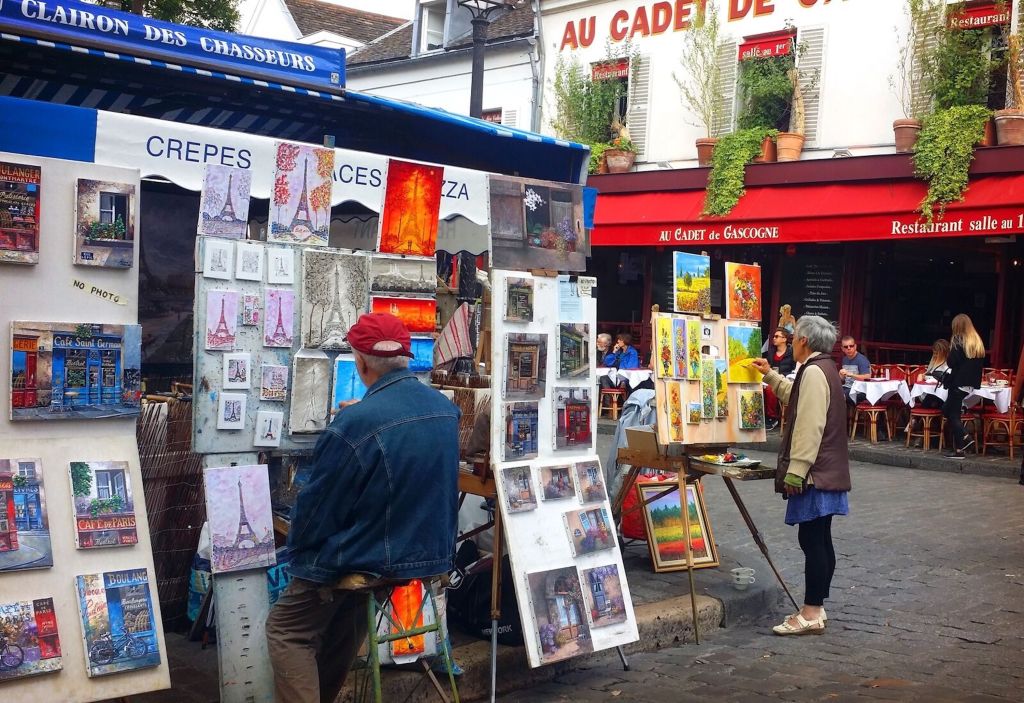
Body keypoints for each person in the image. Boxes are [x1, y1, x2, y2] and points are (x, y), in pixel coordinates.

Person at [266, 312, 461, 703]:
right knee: (344, 611)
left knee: (287, 630)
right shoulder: (444, 409)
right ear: (406, 357)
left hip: (370, 556)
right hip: (427, 554)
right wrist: (363, 416)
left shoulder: (355, 422)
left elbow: (318, 509)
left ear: (360, 362)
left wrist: (298, 545)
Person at [751, 315, 851, 636]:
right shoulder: (824, 368)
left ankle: (810, 611)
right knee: (820, 537)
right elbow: (797, 396)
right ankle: (817, 607)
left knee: (812, 540)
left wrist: (797, 471)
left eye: (794, 338)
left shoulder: (814, 371)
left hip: (815, 472)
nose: (792, 342)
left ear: (804, 341)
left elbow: (810, 424)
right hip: (827, 469)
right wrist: (770, 375)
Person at [942, 314, 985, 459]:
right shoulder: (976, 341)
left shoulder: (958, 340)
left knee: (951, 414)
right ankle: (960, 449)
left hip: (958, 382)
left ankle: (966, 437)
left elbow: (951, 362)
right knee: (950, 412)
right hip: (970, 383)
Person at [763, 328, 795, 430]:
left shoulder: (791, 353)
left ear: (784, 339)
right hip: (771, 376)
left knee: (770, 389)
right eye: (774, 336)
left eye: (777, 336)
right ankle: (761, 415)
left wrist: (784, 375)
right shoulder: (771, 352)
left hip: (785, 379)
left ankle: (772, 417)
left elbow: (794, 369)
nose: (774, 338)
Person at [838, 336, 871, 405]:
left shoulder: (862, 360)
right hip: (847, 387)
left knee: (839, 396)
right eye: (846, 347)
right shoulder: (845, 359)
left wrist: (851, 375)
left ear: (855, 346)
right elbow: (843, 379)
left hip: (860, 390)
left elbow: (867, 377)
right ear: (842, 349)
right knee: (830, 392)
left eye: (851, 346)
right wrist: (841, 375)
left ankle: (841, 412)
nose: (849, 348)